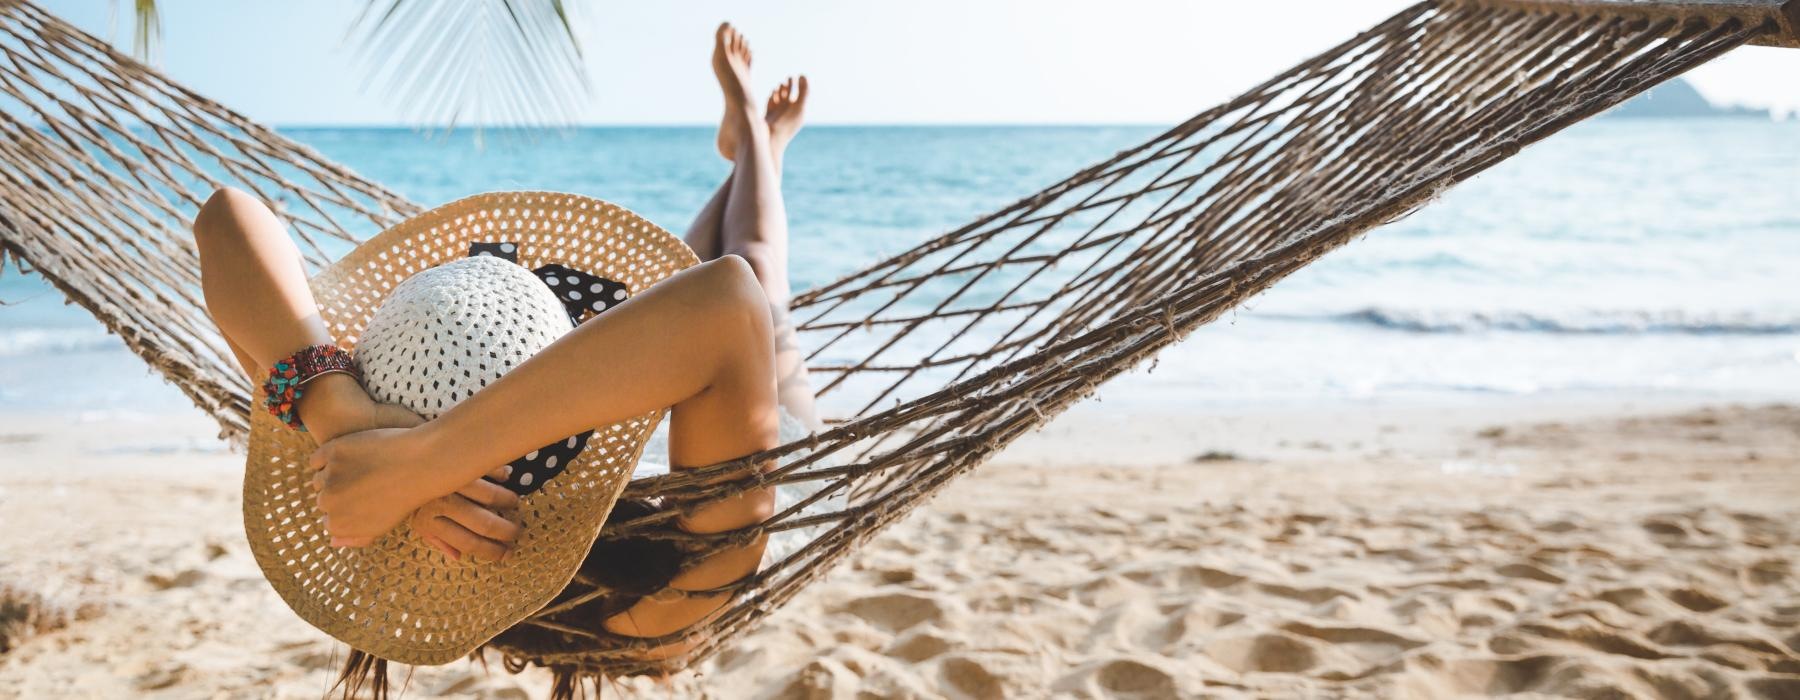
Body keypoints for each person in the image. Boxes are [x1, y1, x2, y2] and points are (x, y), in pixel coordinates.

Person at [192, 23, 811, 642]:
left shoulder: (346, 475)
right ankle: (760, 141)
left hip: (631, 376)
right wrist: (418, 464)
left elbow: (224, 220)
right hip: (736, 425)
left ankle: (755, 142)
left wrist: (345, 418)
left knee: (706, 273)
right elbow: (731, 299)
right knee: (757, 261)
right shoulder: (666, 594)